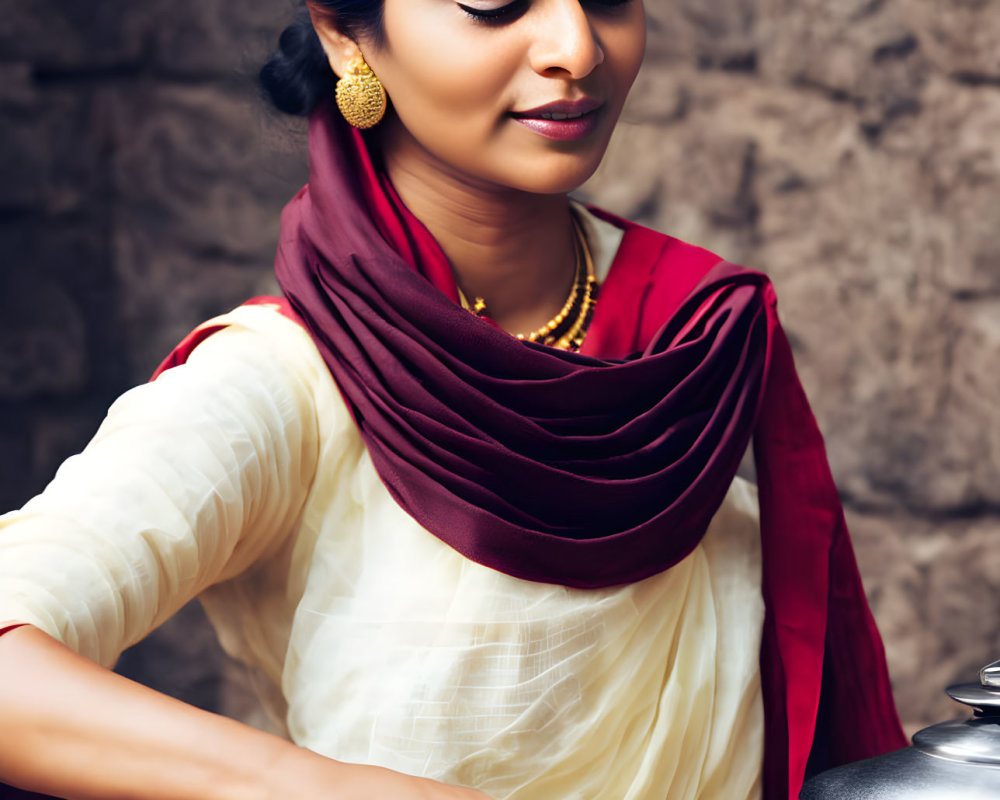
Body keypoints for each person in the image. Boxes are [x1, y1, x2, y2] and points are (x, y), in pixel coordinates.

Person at [0, 1, 907, 799]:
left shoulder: (694, 336)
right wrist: (314, 790)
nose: (576, 47)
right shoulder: (290, 380)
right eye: (495, 2)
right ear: (346, 34)